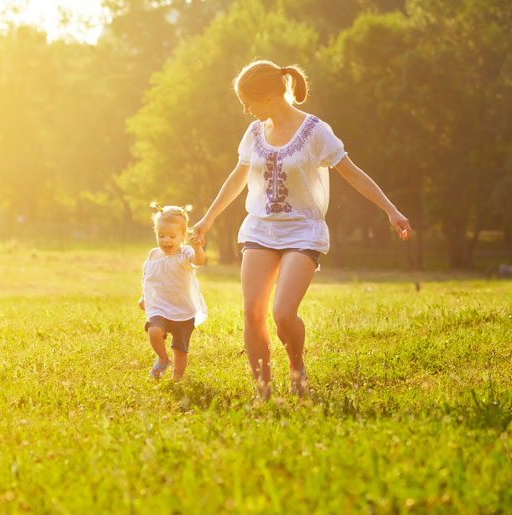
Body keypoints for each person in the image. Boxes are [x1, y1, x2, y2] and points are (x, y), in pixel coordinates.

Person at [190, 60, 411, 400]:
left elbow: (353, 173)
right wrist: (208, 218)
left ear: (267, 96)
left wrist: (390, 210)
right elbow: (238, 178)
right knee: (252, 312)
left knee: (282, 313)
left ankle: (297, 369)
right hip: (260, 229)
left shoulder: (315, 132)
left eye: (248, 101)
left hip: (303, 231)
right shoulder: (253, 133)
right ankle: (263, 391)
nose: (245, 109)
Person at [139, 202, 208, 381]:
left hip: (182, 310)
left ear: (183, 236)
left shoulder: (184, 253)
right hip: (160, 307)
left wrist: (197, 248)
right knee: (154, 331)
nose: (166, 241)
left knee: (180, 350)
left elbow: (199, 261)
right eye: (161, 236)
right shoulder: (153, 255)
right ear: (156, 234)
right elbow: (149, 278)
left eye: (172, 236)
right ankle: (162, 357)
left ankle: (177, 379)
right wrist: (144, 297)